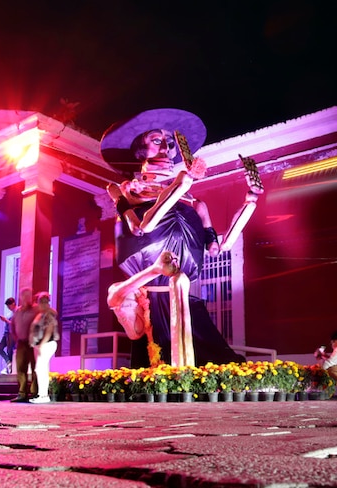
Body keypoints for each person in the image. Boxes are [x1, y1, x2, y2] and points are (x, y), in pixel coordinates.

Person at [100, 108, 260, 368]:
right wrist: (183, 183)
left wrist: (250, 202)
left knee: (217, 362)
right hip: (150, 298)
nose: (165, 147)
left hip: (184, 298)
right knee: (154, 363)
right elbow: (144, 227)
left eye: (171, 142)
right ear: (140, 148)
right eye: (156, 140)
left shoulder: (195, 205)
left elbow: (218, 248)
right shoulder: (130, 193)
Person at [28, 292, 60, 404]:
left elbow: (49, 329)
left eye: (43, 302)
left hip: (47, 344)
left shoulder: (48, 314)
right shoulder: (41, 314)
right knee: (42, 369)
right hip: (40, 345)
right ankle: (42, 394)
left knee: (40, 369)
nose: (39, 304)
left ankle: (44, 395)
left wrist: (42, 343)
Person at [10, 288, 40, 402]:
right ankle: (22, 393)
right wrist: (16, 338)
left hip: (34, 343)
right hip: (21, 343)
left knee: (34, 368)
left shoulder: (36, 309)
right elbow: (12, 326)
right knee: (20, 368)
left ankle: (34, 392)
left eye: (28, 295)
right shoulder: (17, 311)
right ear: (20, 297)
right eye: (24, 295)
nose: (26, 297)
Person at [0, 297, 17, 374]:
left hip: (11, 334)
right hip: (6, 333)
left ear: (13, 304)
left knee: (10, 351)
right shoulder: (9, 314)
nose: (8, 308)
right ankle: (8, 362)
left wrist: (5, 320)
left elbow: (15, 325)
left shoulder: (17, 313)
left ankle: (10, 369)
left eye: (9, 306)